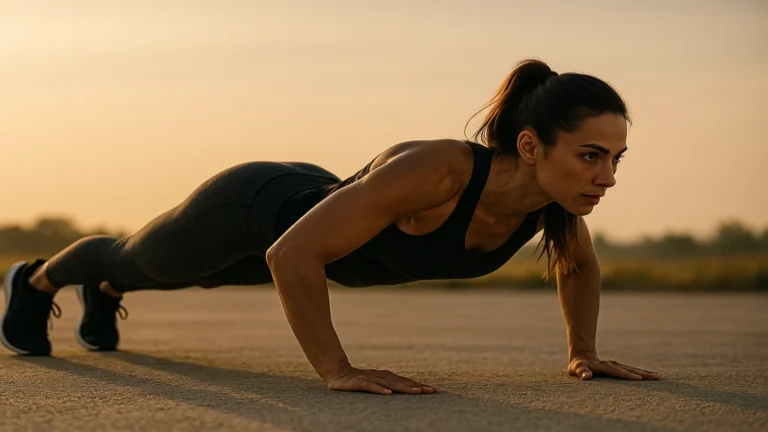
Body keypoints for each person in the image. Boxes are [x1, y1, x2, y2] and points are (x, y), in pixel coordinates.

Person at [1, 58, 662, 395]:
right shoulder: (439, 172)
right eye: (591, 156)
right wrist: (335, 369)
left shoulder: (553, 202)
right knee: (141, 259)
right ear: (529, 146)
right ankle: (35, 279)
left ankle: (107, 295)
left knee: (190, 280)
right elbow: (291, 254)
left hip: (314, 220)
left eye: (615, 159)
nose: (607, 177)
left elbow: (575, 266)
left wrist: (583, 353)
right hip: (256, 207)